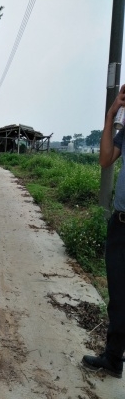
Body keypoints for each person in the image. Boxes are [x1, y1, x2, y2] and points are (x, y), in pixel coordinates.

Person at [82, 84, 125, 380]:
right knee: (118, 298)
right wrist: (112, 114)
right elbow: (105, 159)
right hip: (120, 225)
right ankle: (112, 358)